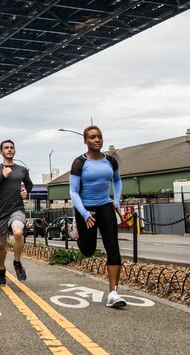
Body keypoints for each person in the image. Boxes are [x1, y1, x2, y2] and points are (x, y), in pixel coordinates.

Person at [69, 125, 126, 308]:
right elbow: (73, 192)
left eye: (99, 137)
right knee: (88, 250)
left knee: (113, 248)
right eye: (92, 137)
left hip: (105, 205)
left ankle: (113, 293)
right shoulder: (79, 162)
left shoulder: (110, 161)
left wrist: (116, 200)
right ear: (85, 141)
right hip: (85, 208)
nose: (97, 140)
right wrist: (84, 214)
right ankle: (78, 231)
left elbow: (116, 181)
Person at [0, 139, 33, 285]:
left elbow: (29, 184)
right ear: (1, 152)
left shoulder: (21, 170)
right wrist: (2, 176)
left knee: (18, 233)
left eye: (12, 147)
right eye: (6, 148)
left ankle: (17, 263)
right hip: (1, 212)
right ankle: (1, 269)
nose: (9, 149)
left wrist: (26, 191)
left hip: (17, 208)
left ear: (14, 151)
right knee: (1, 245)